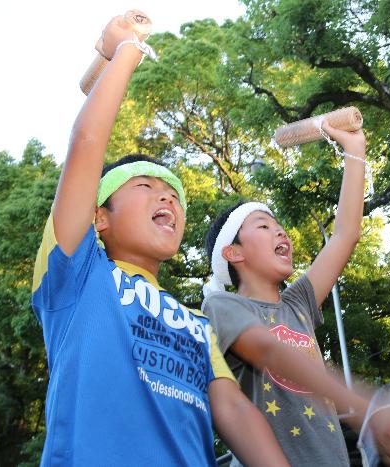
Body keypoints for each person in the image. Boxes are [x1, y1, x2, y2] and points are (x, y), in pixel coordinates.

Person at [31, 15, 289, 466]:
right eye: (144, 187)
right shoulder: (77, 274)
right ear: (99, 219)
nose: (166, 197)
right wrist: (127, 49)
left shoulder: (196, 324)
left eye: (173, 194)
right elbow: (88, 141)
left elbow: (231, 409)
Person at [202, 123, 390, 466]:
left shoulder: (298, 305)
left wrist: (355, 148)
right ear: (233, 253)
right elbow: (267, 350)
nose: (280, 230)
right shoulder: (222, 305)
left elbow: (344, 235)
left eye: (278, 224)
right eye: (263, 226)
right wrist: (368, 409)